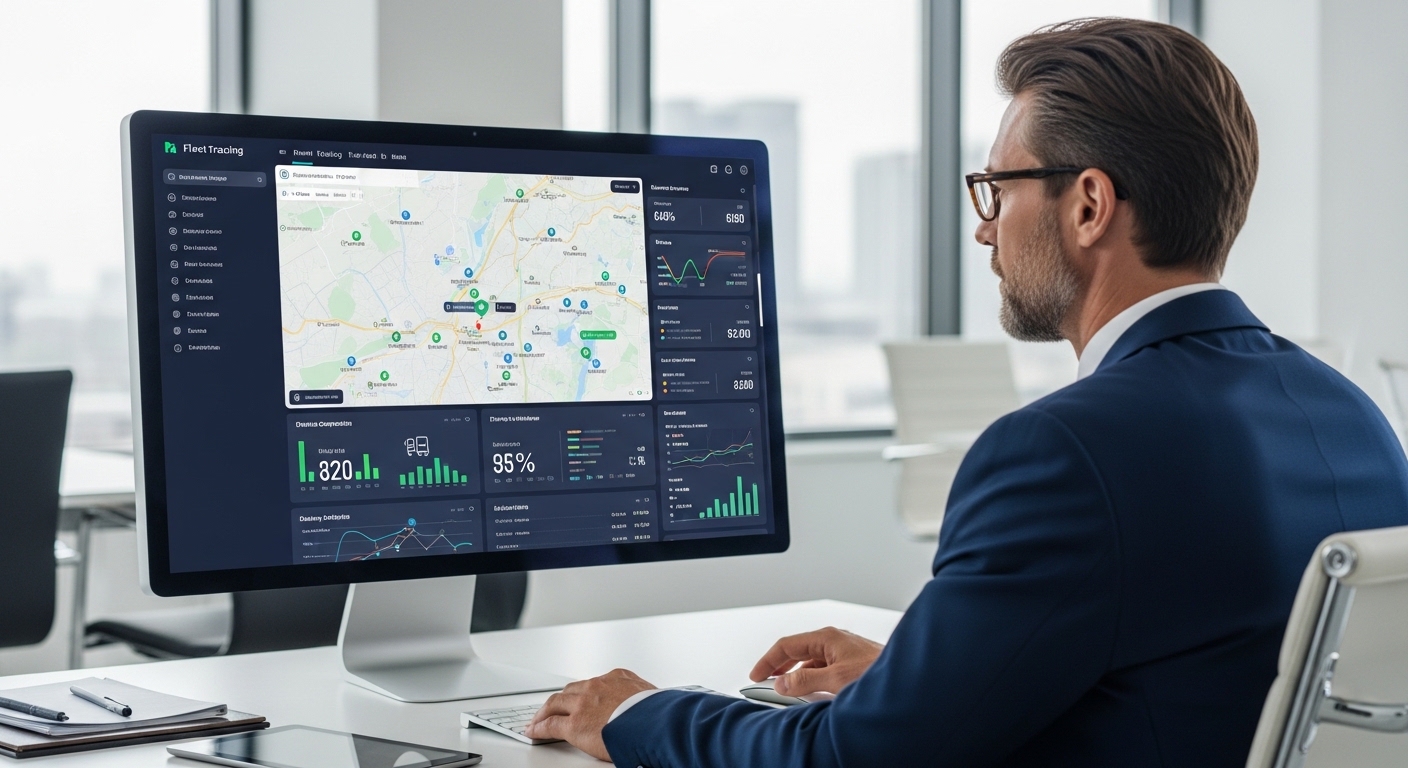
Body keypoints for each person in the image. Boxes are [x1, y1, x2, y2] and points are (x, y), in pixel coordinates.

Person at [525, 17, 1408, 766]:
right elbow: (1194, 674)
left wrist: (637, 714)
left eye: (998, 187)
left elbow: (850, 759)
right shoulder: (1355, 417)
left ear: (1089, 205)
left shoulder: (1066, 452)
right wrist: (922, 673)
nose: (984, 229)